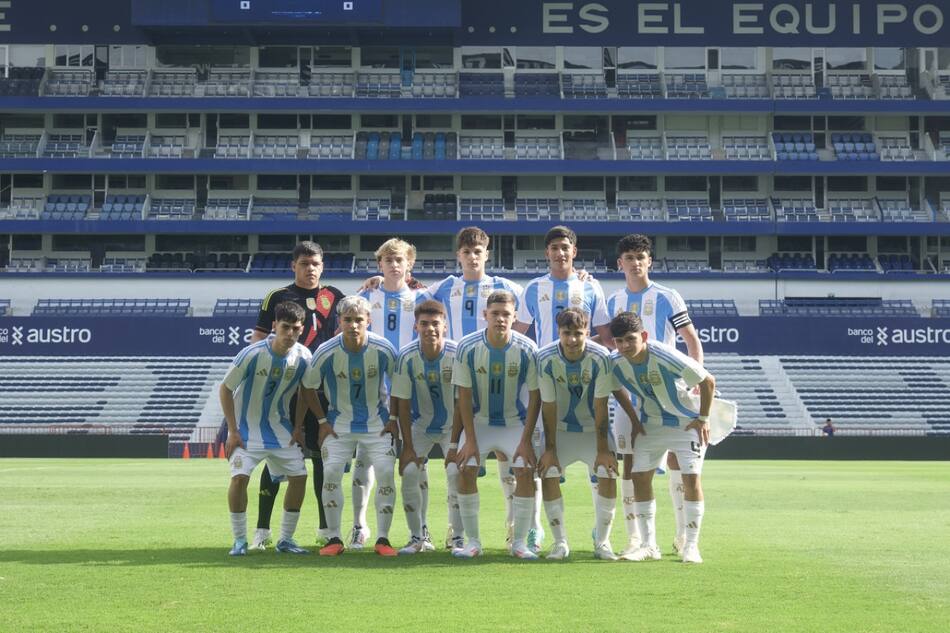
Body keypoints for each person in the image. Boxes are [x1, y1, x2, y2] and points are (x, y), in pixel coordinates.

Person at [360, 227, 525, 549]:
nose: (472, 257)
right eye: (466, 252)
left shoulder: (508, 287)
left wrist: (582, 277)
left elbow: (523, 317)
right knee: (389, 465)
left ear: (487, 254)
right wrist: (377, 281)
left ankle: (514, 530)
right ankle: (409, 533)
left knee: (508, 466)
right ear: (458, 256)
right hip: (425, 384)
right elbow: (407, 292)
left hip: (488, 386)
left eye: (478, 251)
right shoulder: (442, 288)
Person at [602, 233, 704, 559]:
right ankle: (637, 539)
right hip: (633, 395)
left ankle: (682, 536)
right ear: (620, 263)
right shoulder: (613, 300)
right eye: (628, 258)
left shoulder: (668, 296)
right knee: (631, 463)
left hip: (668, 390)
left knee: (678, 462)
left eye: (640, 257)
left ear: (649, 261)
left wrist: (695, 382)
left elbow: (691, 339)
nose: (635, 263)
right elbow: (608, 343)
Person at [514, 225, 610, 552]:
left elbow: (606, 336)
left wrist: (577, 347)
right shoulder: (533, 288)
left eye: (565, 247)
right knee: (544, 459)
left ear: (574, 251)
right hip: (543, 383)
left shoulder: (590, 287)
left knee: (597, 463)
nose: (560, 253)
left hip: (581, 380)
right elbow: (520, 333)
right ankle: (537, 530)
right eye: (554, 248)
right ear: (546, 253)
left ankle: (602, 534)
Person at [249, 241, 344, 550]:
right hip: (286, 390)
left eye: (315, 263)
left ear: (323, 265)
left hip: (324, 392)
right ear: (294, 266)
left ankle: (325, 528)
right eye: (304, 263)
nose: (310, 269)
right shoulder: (277, 298)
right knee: (276, 458)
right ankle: (262, 531)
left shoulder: (335, 297)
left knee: (321, 461)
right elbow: (258, 341)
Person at [608, 311, 716, 564]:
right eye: (619, 341)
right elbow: (615, 387)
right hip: (651, 425)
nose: (624, 346)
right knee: (639, 477)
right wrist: (634, 421)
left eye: (630, 339)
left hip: (685, 424)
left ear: (643, 336)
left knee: (691, 480)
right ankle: (648, 545)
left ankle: (691, 545)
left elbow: (708, 381)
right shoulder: (615, 362)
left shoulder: (663, 354)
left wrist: (703, 418)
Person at [302, 295, 399, 557]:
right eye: (348, 320)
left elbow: (400, 385)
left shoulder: (383, 348)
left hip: (376, 424)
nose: (354, 325)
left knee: (386, 473)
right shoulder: (327, 351)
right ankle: (334, 538)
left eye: (359, 320)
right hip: (339, 425)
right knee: (331, 471)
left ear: (368, 320)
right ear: (339, 321)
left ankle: (383, 539)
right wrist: (322, 421)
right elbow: (309, 387)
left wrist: (393, 420)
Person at [347, 238, 425, 549]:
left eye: (400, 260)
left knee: (415, 463)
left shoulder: (422, 298)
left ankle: (421, 530)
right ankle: (358, 525)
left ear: (410, 266)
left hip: (410, 392)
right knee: (364, 460)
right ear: (380, 265)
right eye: (388, 260)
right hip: (372, 393)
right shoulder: (366, 296)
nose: (394, 265)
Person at [451, 290, 541, 559]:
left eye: (506, 314)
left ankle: (520, 543)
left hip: (515, 423)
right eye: (495, 314)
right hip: (480, 422)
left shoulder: (528, 348)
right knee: (466, 468)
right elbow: (464, 398)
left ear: (515, 317)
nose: (500, 319)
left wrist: (526, 441)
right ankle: (473, 542)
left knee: (525, 470)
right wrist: (470, 441)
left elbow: (535, 397)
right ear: (485, 316)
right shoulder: (467, 347)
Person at [222, 301, 312, 556]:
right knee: (239, 478)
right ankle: (239, 540)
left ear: (302, 329)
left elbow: (306, 393)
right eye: (285, 327)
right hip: (245, 431)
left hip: (281, 430)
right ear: (274, 326)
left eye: (296, 328)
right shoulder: (252, 354)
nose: (290, 333)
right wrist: (232, 431)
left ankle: (286, 539)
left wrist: (297, 427)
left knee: (299, 477)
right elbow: (226, 389)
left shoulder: (304, 356)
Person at [530, 308, 621, 561]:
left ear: (587, 332)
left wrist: (603, 450)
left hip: (593, 431)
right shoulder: (545, 358)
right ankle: (560, 543)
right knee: (548, 472)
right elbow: (547, 406)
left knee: (606, 471)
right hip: (559, 431)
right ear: (558, 333)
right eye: (566, 333)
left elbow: (602, 405)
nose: (571, 340)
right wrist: (549, 450)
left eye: (578, 334)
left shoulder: (601, 357)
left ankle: (602, 542)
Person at [391, 300, 460, 554]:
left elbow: (462, 402)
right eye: (424, 324)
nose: (430, 328)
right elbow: (402, 404)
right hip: (419, 425)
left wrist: (454, 445)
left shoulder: (457, 353)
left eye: (435, 323)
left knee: (455, 472)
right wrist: (407, 447)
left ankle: (457, 536)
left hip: (453, 425)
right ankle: (417, 535)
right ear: (416, 326)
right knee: (409, 471)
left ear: (445, 325)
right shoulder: (406, 357)